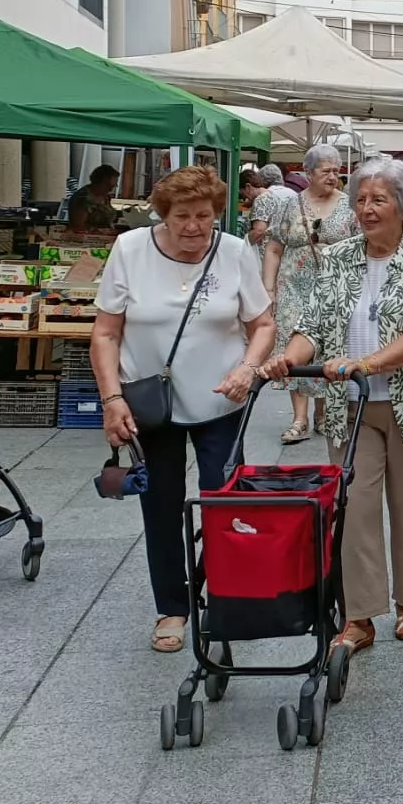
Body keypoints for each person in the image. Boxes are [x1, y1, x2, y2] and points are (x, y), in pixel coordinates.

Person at [259, 157, 403, 651]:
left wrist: (366, 363)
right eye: (361, 200)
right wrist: (290, 357)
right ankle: (361, 615)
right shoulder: (340, 257)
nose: (367, 209)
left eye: (378, 200)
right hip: (349, 405)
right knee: (355, 505)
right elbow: (313, 324)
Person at [92, 166, 275, 653]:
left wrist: (248, 368)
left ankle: (227, 597)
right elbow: (106, 333)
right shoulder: (130, 249)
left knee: (224, 502)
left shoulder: (235, 252)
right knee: (161, 505)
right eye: (182, 217)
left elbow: (262, 324)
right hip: (150, 404)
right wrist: (112, 399)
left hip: (221, 398)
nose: (194, 227)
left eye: (204, 216)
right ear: (163, 215)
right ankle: (172, 608)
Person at [262, 143, 355, 445]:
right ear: (308, 173)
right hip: (294, 289)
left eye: (336, 170)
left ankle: (323, 412)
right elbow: (274, 247)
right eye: (325, 171)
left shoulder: (349, 204)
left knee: (328, 348)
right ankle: (299, 418)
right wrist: (269, 289)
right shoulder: (291, 204)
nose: (333, 176)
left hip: (333, 290)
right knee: (293, 349)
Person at [65, 164, 121, 233]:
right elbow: (78, 226)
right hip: (88, 239)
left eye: (114, 186)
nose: (111, 189)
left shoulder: (105, 196)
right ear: (98, 182)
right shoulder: (82, 198)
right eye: (108, 185)